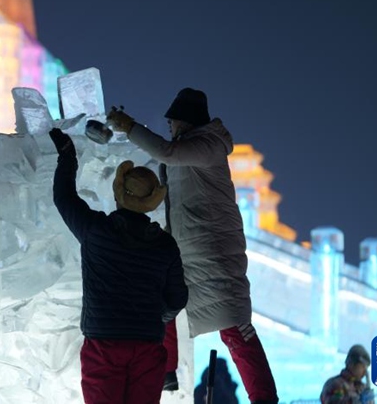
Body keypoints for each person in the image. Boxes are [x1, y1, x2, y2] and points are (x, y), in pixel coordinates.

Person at [106, 88, 279, 404]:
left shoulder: (208, 146)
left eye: (171, 122)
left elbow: (166, 153)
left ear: (183, 122)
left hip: (213, 250)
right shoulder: (190, 147)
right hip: (189, 249)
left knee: (235, 329)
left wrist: (129, 126)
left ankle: (265, 398)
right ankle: (166, 373)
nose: (169, 128)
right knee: (165, 302)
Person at [49, 127, 189, 404]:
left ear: (119, 195)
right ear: (150, 204)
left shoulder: (96, 231)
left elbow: (63, 198)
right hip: (148, 344)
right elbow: (178, 298)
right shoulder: (165, 246)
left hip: (104, 345)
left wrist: (68, 156)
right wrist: (152, 318)